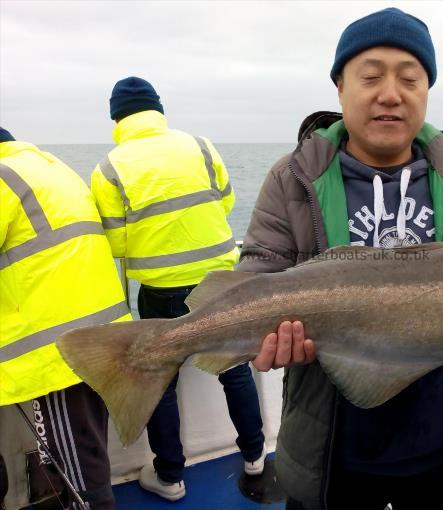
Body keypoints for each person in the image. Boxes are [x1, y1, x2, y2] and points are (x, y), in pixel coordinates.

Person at [240, 8, 443, 510]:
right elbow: (256, 274)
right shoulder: (292, 178)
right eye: (370, 76)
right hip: (330, 454)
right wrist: (261, 339)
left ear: (427, 91)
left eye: (410, 78)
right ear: (340, 88)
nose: (391, 93)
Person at [90, 78, 266, 501]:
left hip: (161, 288)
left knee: (159, 380)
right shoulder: (201, 146)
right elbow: (225, 202)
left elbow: (115, 243)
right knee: (233, 367)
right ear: (159, 108)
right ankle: (256, 455)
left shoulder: (109, 168)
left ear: (116, 118)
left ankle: (170, 476)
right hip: (219, 279)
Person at [0, 127, 132, 509]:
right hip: (99, 333)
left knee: (76, 468)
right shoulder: (48, 166)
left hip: (55, 350)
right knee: (87, 449)